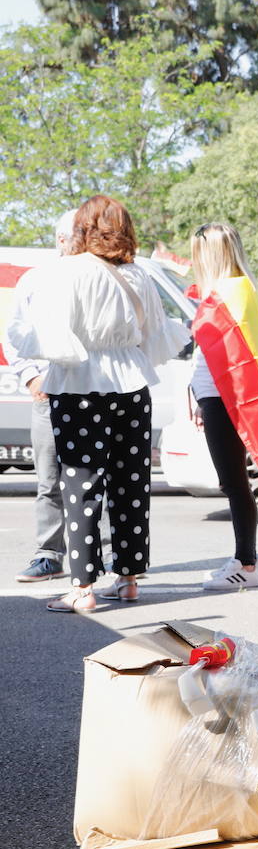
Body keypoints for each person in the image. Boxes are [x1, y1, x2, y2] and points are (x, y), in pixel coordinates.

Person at [6, 195, 188, 611]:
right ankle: (127, 578)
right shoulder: (138, 275)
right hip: (133, 386)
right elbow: (156, 336)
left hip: (80, 383)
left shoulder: (68, 273)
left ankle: (82, 588)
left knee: (81, 484)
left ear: (84, 227)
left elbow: (45, 333)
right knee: (131, 482)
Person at [187, 223, 258, 590]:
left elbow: (233, 353)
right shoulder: (230, 289)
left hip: (225, 398)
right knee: (232, 481)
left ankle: (246, 564)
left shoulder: (233, 290)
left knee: (234, 482)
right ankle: (244, 560)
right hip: (215, 398)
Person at [10, 209, 77, 583]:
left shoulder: (94, 278)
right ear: (60, 240)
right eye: (72, 237)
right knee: (49, 480)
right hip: (48, 396)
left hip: (88, 394)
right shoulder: (36, 281)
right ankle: (49, 554)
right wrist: (32, 378)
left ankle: (106, 555)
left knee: (92, 476)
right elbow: (13, 334)